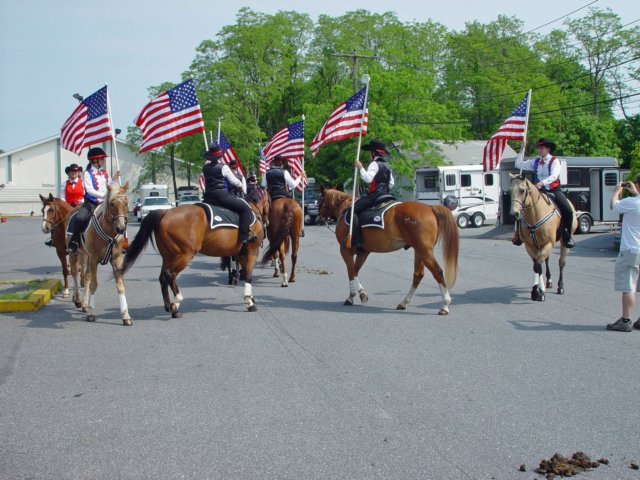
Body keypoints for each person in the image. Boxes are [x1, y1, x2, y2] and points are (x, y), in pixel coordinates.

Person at [514, 138, 575, 248]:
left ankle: (567, 235)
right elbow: (518, 164)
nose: (539, 150)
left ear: (548, 149)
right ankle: (519, 234)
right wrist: (521, 149)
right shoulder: (536, 161)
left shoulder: (554, 161)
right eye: (538, 148)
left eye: (541, 148)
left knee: (568, 210)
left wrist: (542, 183)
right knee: (521, 206)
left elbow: (554, 176)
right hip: (539, 190)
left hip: (553, 189)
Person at [67, 147, 120, 253]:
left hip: (104, 202)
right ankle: (74, 241)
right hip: (91, 203)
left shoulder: (104, 173)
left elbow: (108, 185)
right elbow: (90, 190)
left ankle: (120, 241)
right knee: (80, 218)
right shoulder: (87, 173)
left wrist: (114, 178)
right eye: (102, 159)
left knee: (119, 215)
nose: (103, 161)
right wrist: (103, 195)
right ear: (95, 160)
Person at [202, 143, 257, 244]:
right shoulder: (223, 167)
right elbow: (234, 181)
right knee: (245, 209)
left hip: (208, 197)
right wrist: (240, 185)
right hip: (221, 197)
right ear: (219, 155)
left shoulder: (205, 168)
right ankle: (244, 236)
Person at [607, 175, 640, 332]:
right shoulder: (636, 200)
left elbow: (613, 206)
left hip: (631, 249)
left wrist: (616, 192)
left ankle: (625, 320)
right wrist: (635, 192)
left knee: (629, 286)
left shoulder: (631, 203)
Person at [351, 138, 395, 250]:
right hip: (386, 194)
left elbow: (368, 179)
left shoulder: (374, 164)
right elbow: (391, 183)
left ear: (373, 152)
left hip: (375, 195)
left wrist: (360, 167)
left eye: (370, 151)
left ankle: (357, 241)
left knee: (352, 211)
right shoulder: (387, 165)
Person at [45, 163, 85, 247]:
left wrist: (81, 201)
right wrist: (65, 205)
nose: (73, 172)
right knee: (56, 218)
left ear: (78, 173)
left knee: (84, 219)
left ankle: (84, 238)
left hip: (80, 206)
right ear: (69, 173)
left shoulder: (83, 183)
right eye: (72, 171)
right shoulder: (64, 184)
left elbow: (86, 194)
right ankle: (53, 238)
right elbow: (62, 196)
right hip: (67, 206)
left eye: (75, 171)